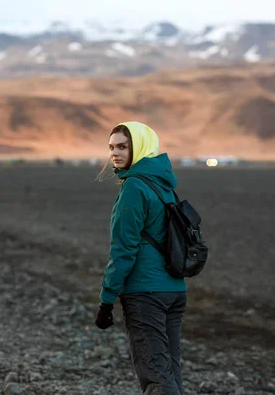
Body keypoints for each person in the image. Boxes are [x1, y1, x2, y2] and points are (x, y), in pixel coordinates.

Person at [94, 121, 187, 395]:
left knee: (157, 377)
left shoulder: (134, 187)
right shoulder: (164, 183)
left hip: (145, 293)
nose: (115, 153)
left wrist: (106, 301)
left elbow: (123, 251)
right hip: (175, 291)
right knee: (170, 371)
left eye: (123, 146)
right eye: (111, 147)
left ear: (140, 148)